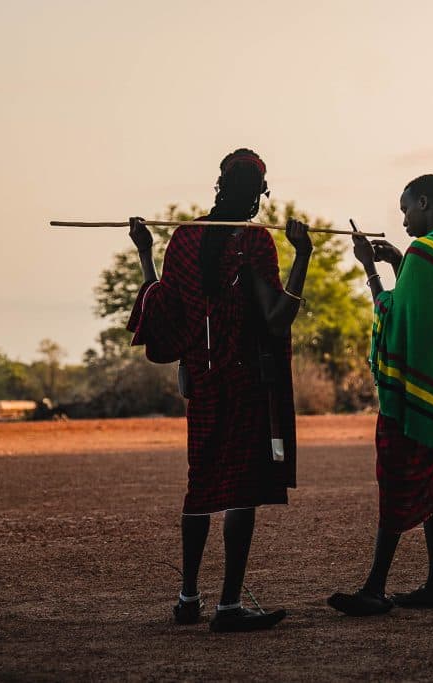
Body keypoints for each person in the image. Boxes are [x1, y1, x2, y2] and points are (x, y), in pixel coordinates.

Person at [126, 148, 313, 632]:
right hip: (246, 382)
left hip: (203, 384)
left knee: (200, 488)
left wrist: (145, 250)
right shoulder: (254, 244)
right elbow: (276, 317)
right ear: (257, 195)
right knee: (240, 492)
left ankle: (188, 598)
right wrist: (303, 257)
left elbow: (160, 309)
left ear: (219, 185)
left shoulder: (184, 239)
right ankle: (229, 606)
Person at [328, 174, 433, 616]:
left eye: (406, 208)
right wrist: (399, 265)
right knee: (432, 479)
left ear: (425, 203)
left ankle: (374, 588)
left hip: (410, 394)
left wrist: (370, 267)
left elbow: (395, 316)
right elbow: (423, 306)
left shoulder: (425, 251)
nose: (404, 218)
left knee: (396, 476)